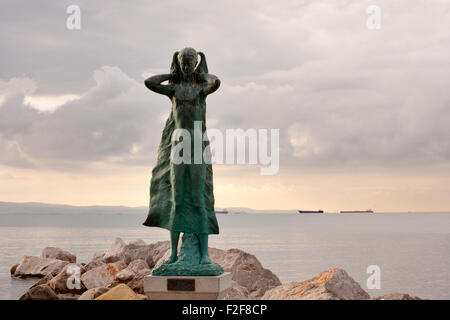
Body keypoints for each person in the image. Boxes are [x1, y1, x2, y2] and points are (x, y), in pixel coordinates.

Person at [142, 47, 221, 265]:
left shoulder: (201, 89)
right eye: (183, 62)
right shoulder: (174, 89)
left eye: (190, 62)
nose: (186, 66)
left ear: (195, 62)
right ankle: (174, 254)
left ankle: (204, 254)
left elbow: (216, 82)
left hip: (196, 146)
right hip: (178, 146)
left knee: (198, 199)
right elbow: (150, 82)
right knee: (176, 199)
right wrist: (173, 74)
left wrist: (199, 71)